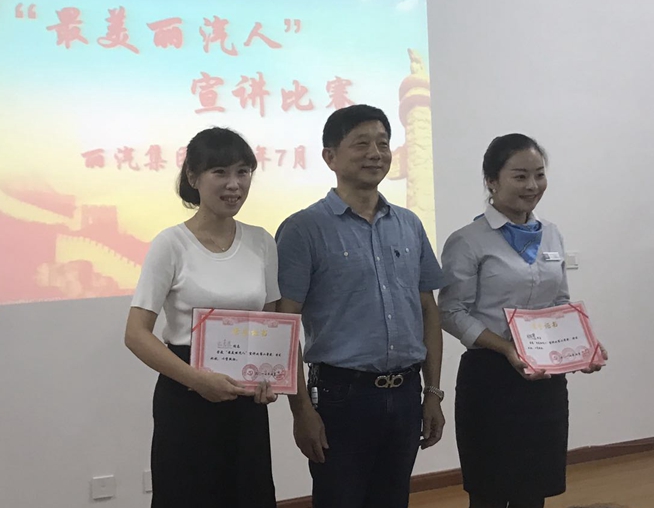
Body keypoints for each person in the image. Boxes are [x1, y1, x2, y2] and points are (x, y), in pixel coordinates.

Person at [276, 104, 446, 508]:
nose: (375, 153)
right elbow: (284, 324)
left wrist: (433, 392)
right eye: (362, 144)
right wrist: (301, 411)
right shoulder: (303, 229)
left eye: (383, 144)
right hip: (340, 396)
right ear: (330, 157)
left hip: (406, 392)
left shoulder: (409, 224)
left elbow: (428, 310)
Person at [438, 133, 607, 508]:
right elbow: (450, 312)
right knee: (490, 492)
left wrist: (582, 347)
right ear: (491, 181)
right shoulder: (468, 240)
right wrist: (507, 349)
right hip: (491, 379)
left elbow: (559, 302)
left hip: (544, 382)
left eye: (539, 174)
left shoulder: (552, 234)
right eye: (520, 176)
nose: (532, 186)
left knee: (534, 491)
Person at [124, 127, 280, 508]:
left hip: (245, 398)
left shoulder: (262, 241)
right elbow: (136, 333)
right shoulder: (170, 244)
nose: (234, 184)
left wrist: (270, 377)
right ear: (193, 178)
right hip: (186, 393)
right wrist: (196, 380)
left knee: (249, 494)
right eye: (220, 172)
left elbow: (271, 323)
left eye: (243, 172)